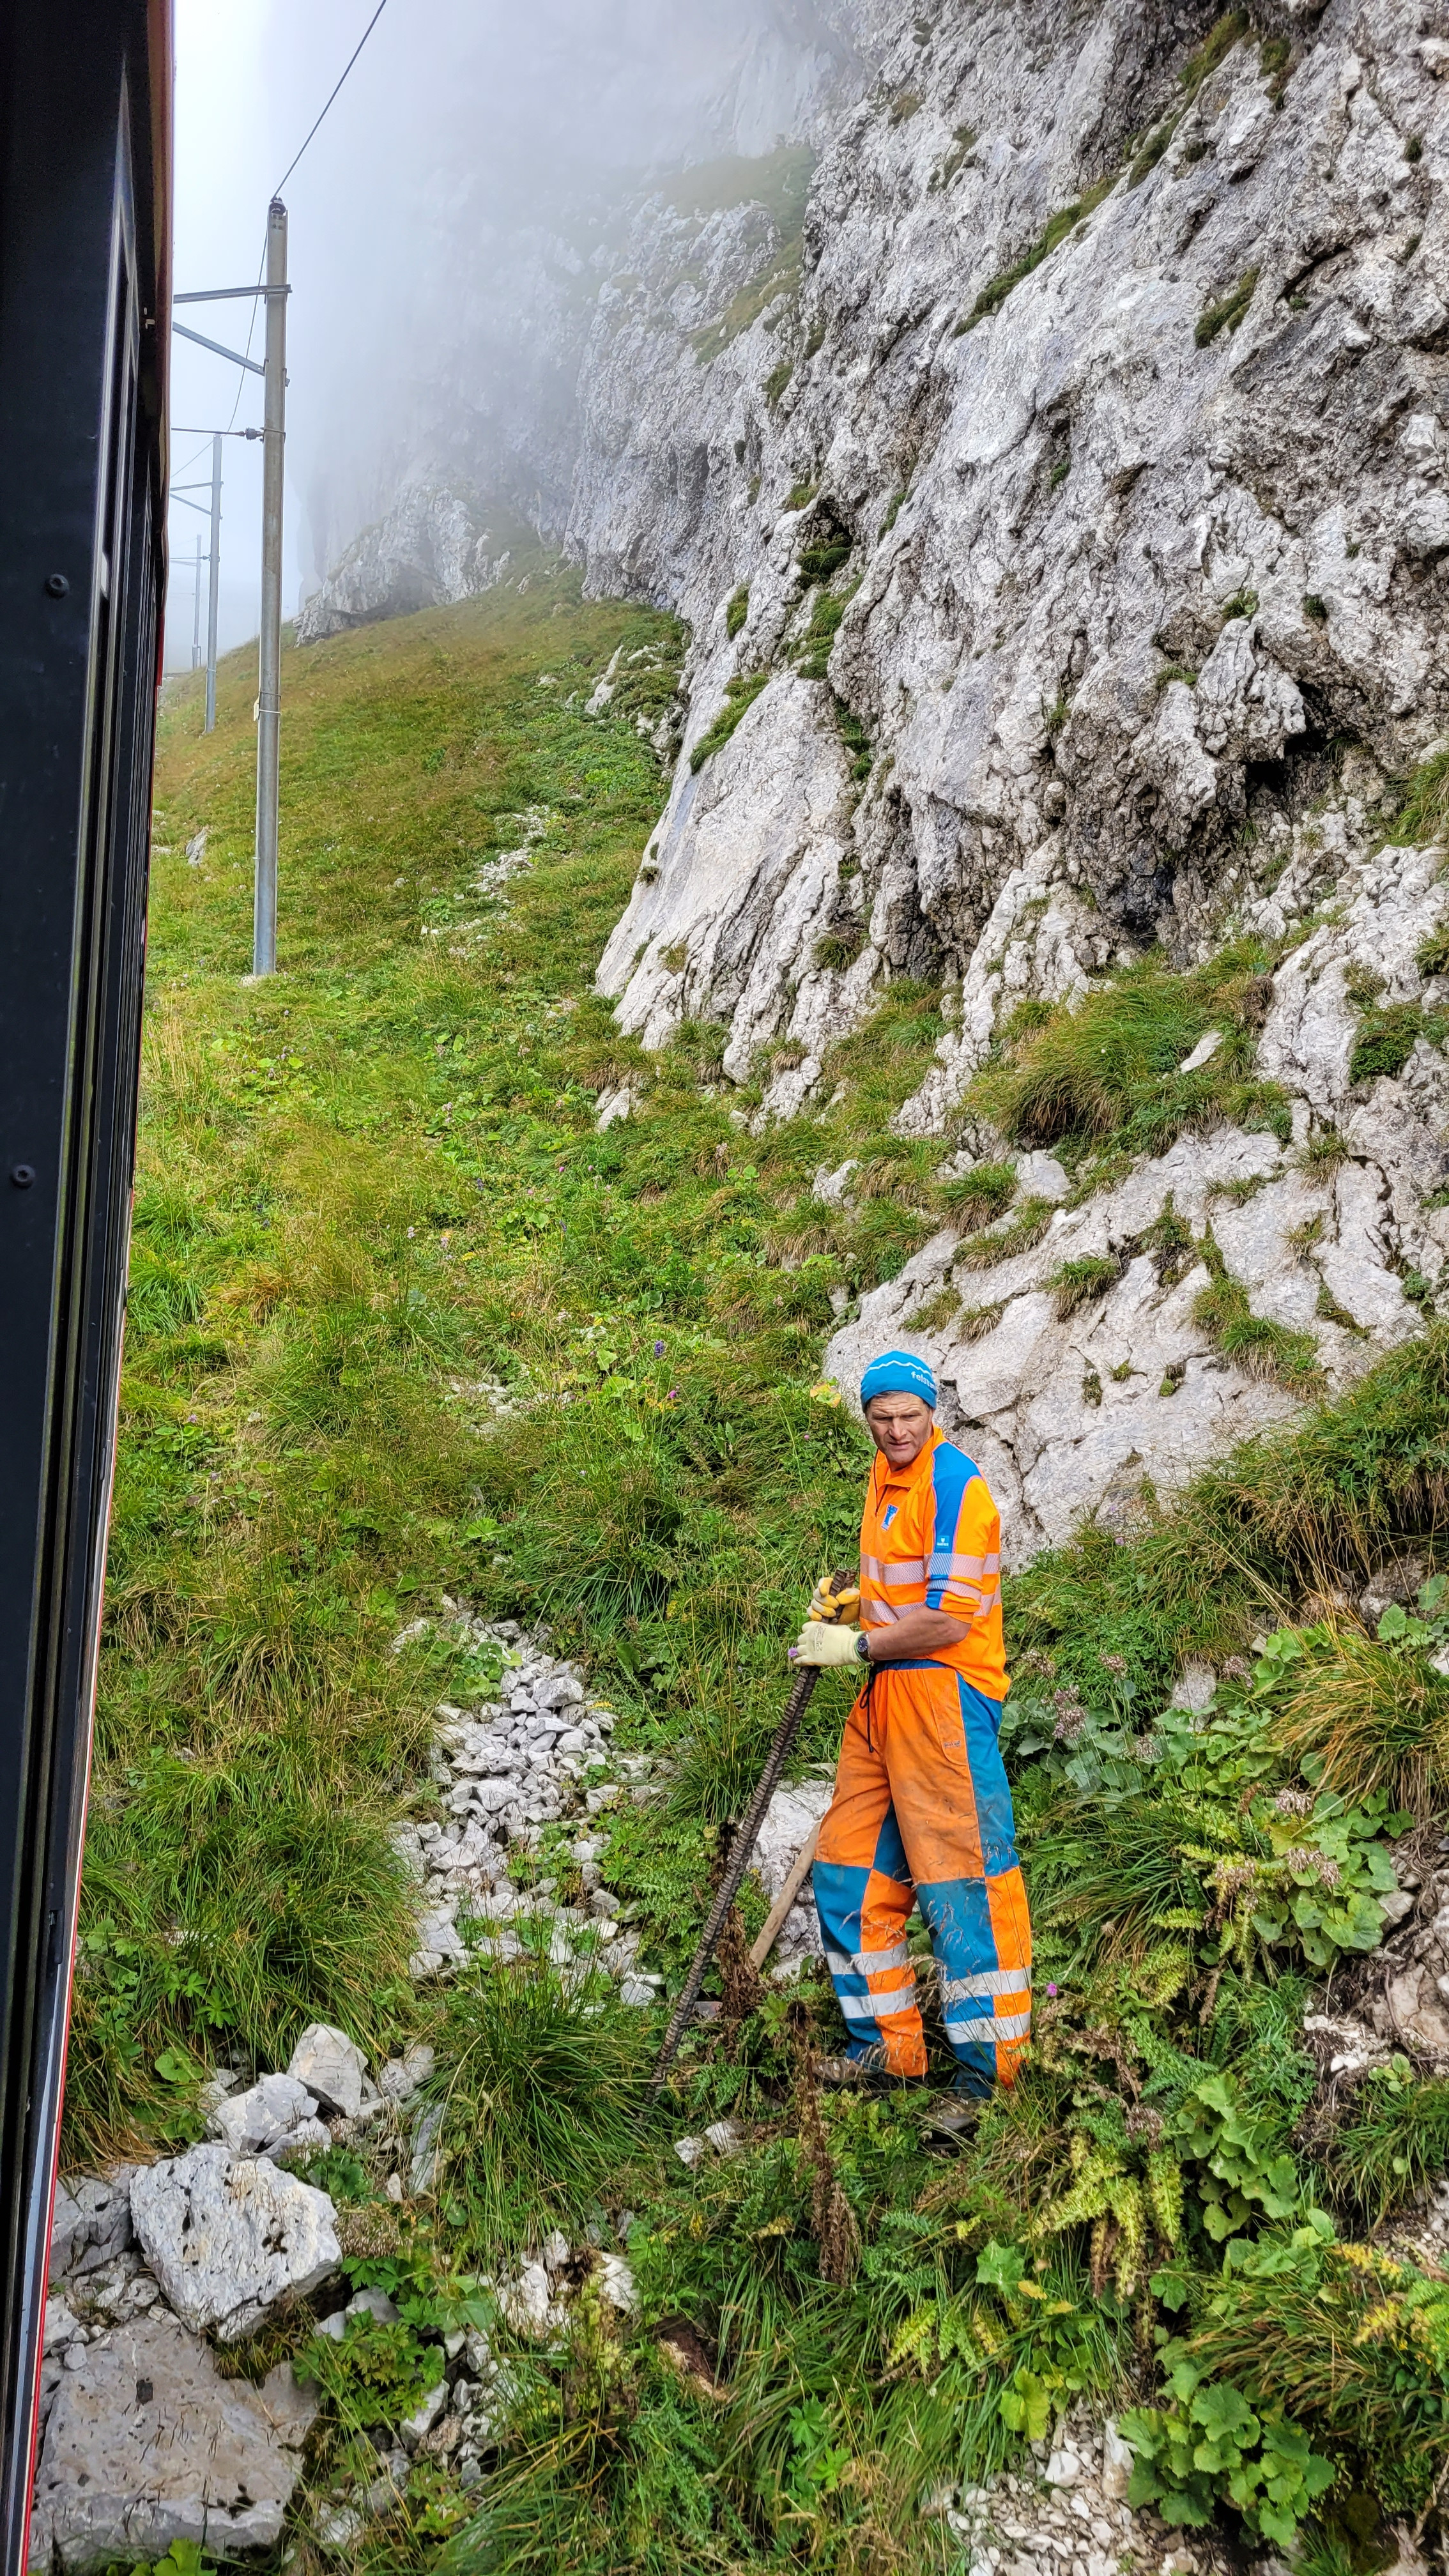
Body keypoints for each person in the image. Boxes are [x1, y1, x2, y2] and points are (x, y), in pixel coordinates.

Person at [792, 1349, 1031, 2104]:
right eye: (882, 1418)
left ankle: (991, 2079)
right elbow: (909, 1585)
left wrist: (856, 1643)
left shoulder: (955, 1484)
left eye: (910, 1416)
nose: (897, 1430)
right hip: (886, 1696)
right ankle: (887, 2049)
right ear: (865, 1418)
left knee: (963, 1882)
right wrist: (857, 1603)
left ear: (935, 1413)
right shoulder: (884, 1474)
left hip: (944, 1698)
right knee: (847, 1871)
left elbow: (949, 1620)